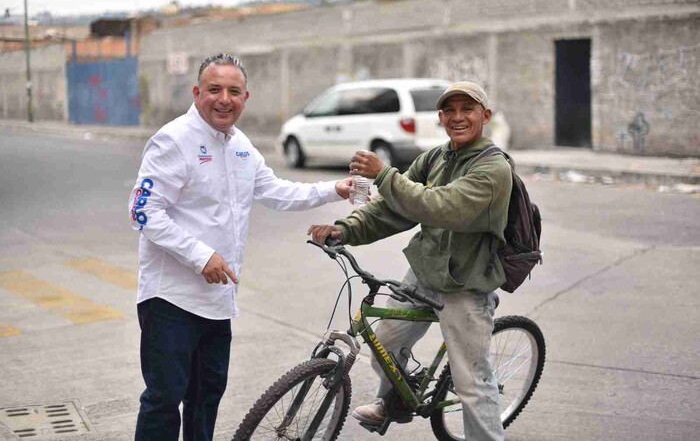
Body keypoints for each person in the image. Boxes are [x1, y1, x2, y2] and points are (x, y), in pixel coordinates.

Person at [128, 53, 352, 441]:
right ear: (197, 93)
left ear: (245, 97)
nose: (224, 99)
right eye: (214, 90)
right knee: (164, 399)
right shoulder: (173, 140)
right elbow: (143, 211)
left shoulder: (240, 145)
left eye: (234, 91)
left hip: (217, 301)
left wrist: (334, 188)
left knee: (206, 397)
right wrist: (201, 257)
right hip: (171, 300)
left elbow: (276, 191)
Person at [308, 81, 511, 441]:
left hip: (466, 284)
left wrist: (385, 174)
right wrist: (345, 229)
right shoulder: (435, 158)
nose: (458, 117)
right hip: (424, 270)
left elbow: (441, 207)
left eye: (468, 109)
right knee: (385, 341)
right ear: (441, 117)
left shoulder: (493, 169)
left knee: (472, 385)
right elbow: (392, 208)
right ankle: (395, 403)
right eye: (450, 110)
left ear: (485, 115)